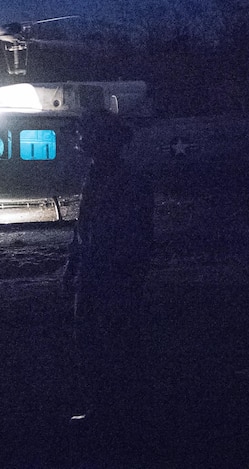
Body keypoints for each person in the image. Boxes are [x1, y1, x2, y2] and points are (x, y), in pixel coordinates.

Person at [62, 110, 154, 451]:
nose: (80, 139)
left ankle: (115, 415)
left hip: (111, 275)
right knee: (94, 343)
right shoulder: (101, 175)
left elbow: (133, 237)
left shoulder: (125, 180)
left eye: (87, 134)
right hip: (98, 272)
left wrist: (117, 272)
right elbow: (84, 227)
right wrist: (74, 264)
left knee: (112, 344)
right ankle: (104, 410)